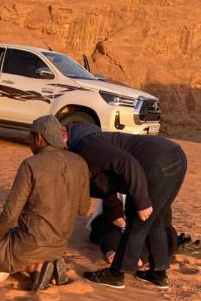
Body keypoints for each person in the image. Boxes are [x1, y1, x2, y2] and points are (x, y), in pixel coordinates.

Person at [0, 116, 90, 290]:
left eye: (30, 137)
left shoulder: (31, 165)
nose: (29, 142)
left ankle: (32, 266)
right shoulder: (80, 163)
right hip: (58, 247)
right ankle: (42, 265)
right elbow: (83, 208)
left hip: (29, 244)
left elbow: (10, 214)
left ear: (40, 138)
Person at [65, 123, 188, 289]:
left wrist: (142, 201)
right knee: (156, 221)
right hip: (176, 155)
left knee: (137, 222)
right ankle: (158, 274)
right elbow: (107, 185)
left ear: (65, 133)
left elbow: (127, 163)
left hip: (156, 163)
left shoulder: (87, 145)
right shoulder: (98, 141)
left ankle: (116, 274)